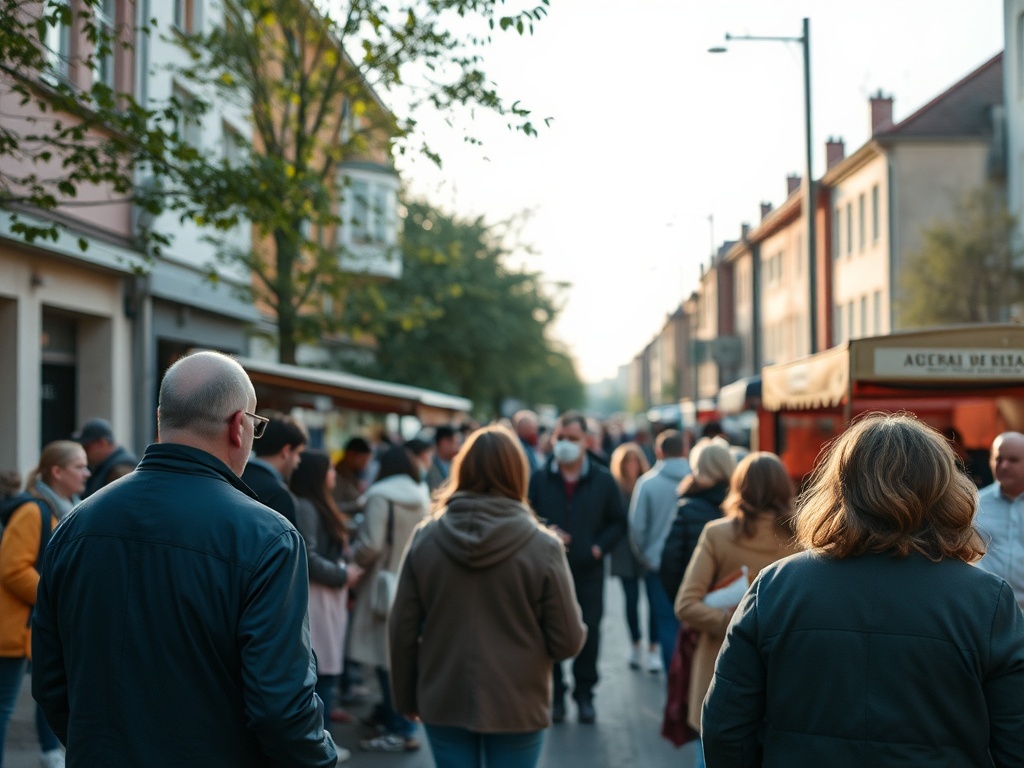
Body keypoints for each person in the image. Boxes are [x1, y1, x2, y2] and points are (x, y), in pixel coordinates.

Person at [32, 350, 339, 767]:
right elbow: (281, 705)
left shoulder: (74, 525)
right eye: (256, 426)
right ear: (238, 426)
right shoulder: (268, 538)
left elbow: (52, 681)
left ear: (162, 418)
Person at [702, 414, 1024, 768]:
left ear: (840, 488)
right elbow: (1015, 738)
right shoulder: (987, 601)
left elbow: (724, 728)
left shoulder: (775, 588)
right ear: (943, 490)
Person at [389, 425, 587, 768]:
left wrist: (406, 697)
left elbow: (401, 628)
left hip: (443, 695)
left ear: (461, 469)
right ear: (517, 473)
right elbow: (567, 641)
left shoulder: (426, 538)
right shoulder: (544, 547)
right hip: (518, 701)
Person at [676, 451, 800, 767]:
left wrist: (731, 622)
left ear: (739, 487)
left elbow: (686, 604)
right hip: (785, 676)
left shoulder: (717, 534)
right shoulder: (803, 538)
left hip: (720, 671)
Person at [528, 411, 626, 724]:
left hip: (588, 572)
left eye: (572, 438)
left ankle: (584, 694)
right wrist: (545, 533)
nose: (566, 444)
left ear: (586, 441)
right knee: (548, 631)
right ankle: (555, 696)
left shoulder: (603, 479)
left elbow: (618, 522)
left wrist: (597, 548)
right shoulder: (540, 478)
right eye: (561, 438)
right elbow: (526, 519)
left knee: (589, 633)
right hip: (548, 572)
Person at [1, 441, 89, 768]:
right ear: (57, 472)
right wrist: (58, 597)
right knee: (3, 710)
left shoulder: (65, 510)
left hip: (35, 627)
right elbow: (11, 570)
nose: (87, 472)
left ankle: (51, 752)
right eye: (79, 466)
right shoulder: (33, 511)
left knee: (47, 693)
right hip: (15, 630)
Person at [348, 445, 430, 753]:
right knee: (400, 654)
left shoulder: (380, 496)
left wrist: (351, 560)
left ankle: (402, 727)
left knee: (385, 660)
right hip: (411, 582)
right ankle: (396, 718)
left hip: (382, 584)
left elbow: (370, 544)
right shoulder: (421, 495)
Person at [290, 449, 364, 734]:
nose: (334, 474)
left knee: (326, 668)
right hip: (319, 597)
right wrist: (343, 574)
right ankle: (321, 742)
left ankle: (323, 738)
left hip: (328, 596)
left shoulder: (318, 504)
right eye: (329, 469)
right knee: (322, 671)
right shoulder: (308, 507)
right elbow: (308, 556)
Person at [628, 429, 691, 674]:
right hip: (692, 563)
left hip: (657, 565)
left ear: (658, 452)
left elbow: (637, 527)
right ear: (684, 450)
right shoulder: (698, 479)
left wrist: (646, 557)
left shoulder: (647, 484)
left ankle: (672, 679)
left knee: (666, 621)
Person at [658, 438, 735, 602]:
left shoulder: (687, 508)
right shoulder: (743, 504)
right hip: (738, 602)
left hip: (697, 604)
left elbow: (670, 564)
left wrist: (684, 603)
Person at [607, 442, 652, 672]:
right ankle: (635, 644)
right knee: (631, 599)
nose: (631, 465)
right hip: (624, 550)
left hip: (646, 549)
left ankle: (653, 647)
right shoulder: (614, 487)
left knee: (654, 601)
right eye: (627, 461)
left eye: (635, 460)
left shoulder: (648, 484)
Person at [975, 431, 1024, 610]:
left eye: (1013, 460)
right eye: (998, 458)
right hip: (986, 608)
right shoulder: (974, 504)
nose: (1003, 466)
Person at [240, 410, 307, 526]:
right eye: (298, 453)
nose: (298, 461)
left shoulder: (233, 477)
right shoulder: (279, 495)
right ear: (286, 451)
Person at [72, 417, 137, 499]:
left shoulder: (121, 468)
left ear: (102, 443)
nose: (84, 452)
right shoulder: (102, 465)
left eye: (87, 447)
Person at [332, 436, 373, 516]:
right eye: (363, 460)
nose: (365, 465)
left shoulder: (352, 475)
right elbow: (335, 506)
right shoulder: (337, 478)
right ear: (351, 454)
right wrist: (358, 505)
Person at [426, 425, 460, 491]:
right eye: (456, 443)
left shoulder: (456, 464)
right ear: (444, 443)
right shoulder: (428, 467)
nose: (457, 448)